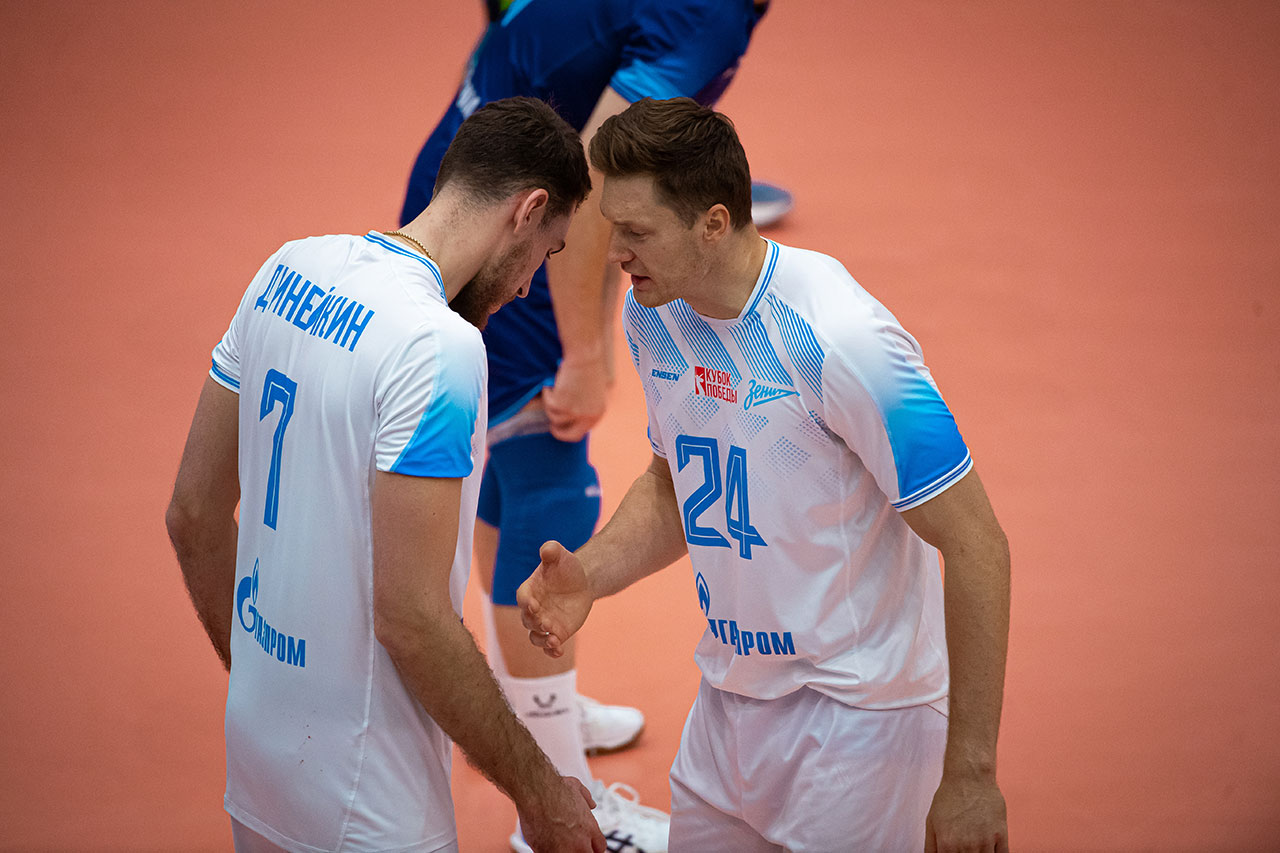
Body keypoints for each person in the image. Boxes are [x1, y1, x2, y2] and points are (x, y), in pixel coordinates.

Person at [519, 97, 1012, 853]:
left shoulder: (843, 342)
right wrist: (591, 574)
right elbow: (677, 485)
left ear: (713, 224)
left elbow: (977, 545)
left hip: (860, 718)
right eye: (612, 226)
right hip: (729, 699)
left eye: (638, 232)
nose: (615, 251)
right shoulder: (655, 314)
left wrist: (971, 773)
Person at [165, 97, 604, 853]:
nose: (529, 287)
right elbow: (411, 618)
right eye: (548, 252)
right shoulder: (441, 349)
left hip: (259, 764)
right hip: (370, 801)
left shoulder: (286, 268)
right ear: (529, 210)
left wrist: (264, 682)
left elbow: (193, 514)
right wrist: (543, 796)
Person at [400, 4, 767, 852]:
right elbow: (605, 178)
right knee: (548, 473)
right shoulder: (707, 14)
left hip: (459, 188)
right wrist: (585, 352)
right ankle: (559, 803)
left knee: (506, 467)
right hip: (515, 231)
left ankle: (532, 711)